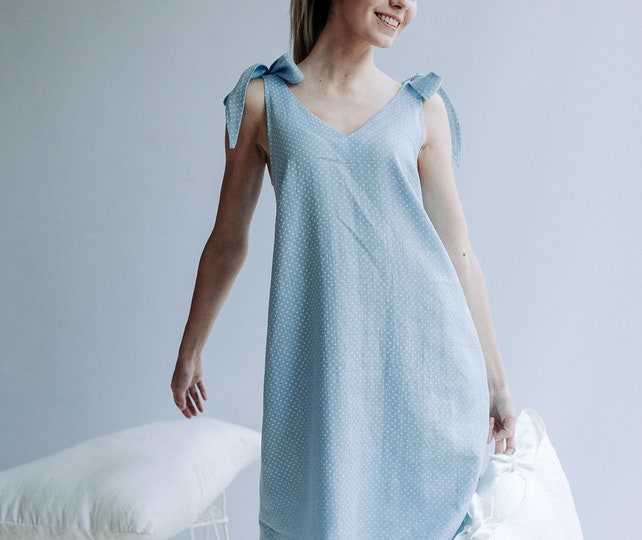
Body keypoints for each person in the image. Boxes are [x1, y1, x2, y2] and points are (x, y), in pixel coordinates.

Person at [171, 0, 516, 538]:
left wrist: (497, 384)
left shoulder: (422, 108)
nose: (403, 4)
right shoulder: (264, 101)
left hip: (426, 372)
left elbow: (460, 254)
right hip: (322, 374)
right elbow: (227, 242)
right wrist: (190, 350)